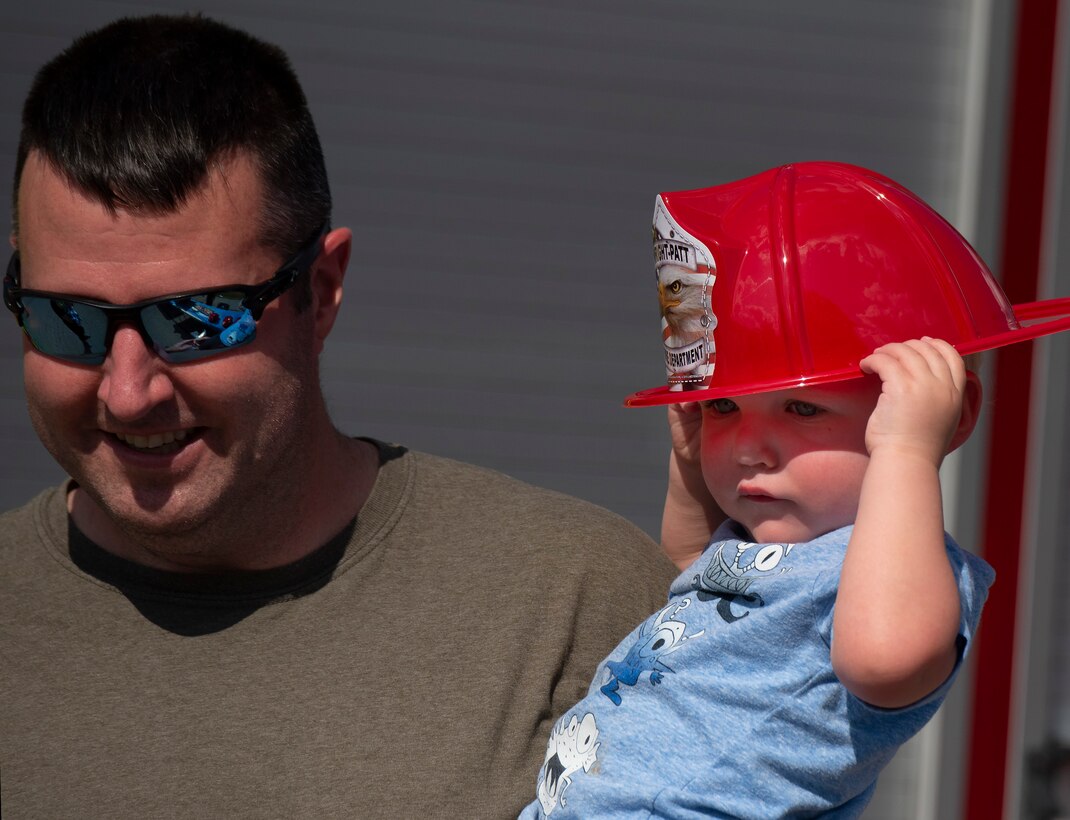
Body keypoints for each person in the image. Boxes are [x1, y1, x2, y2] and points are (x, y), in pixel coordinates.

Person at [0, 15, 677, 818]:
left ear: (319, 292)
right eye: (66, 319)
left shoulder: (574, 604)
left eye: (196, 320)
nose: (126, 390)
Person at [520, 162, 1070, 818]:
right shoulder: (760, 539)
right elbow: (688, 582)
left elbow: (885, 664)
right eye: (724, 409)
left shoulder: (894, 572)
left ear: (944, 418)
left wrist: (906, 454)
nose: (749, 446)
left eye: (802, 410)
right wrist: (693, 473)